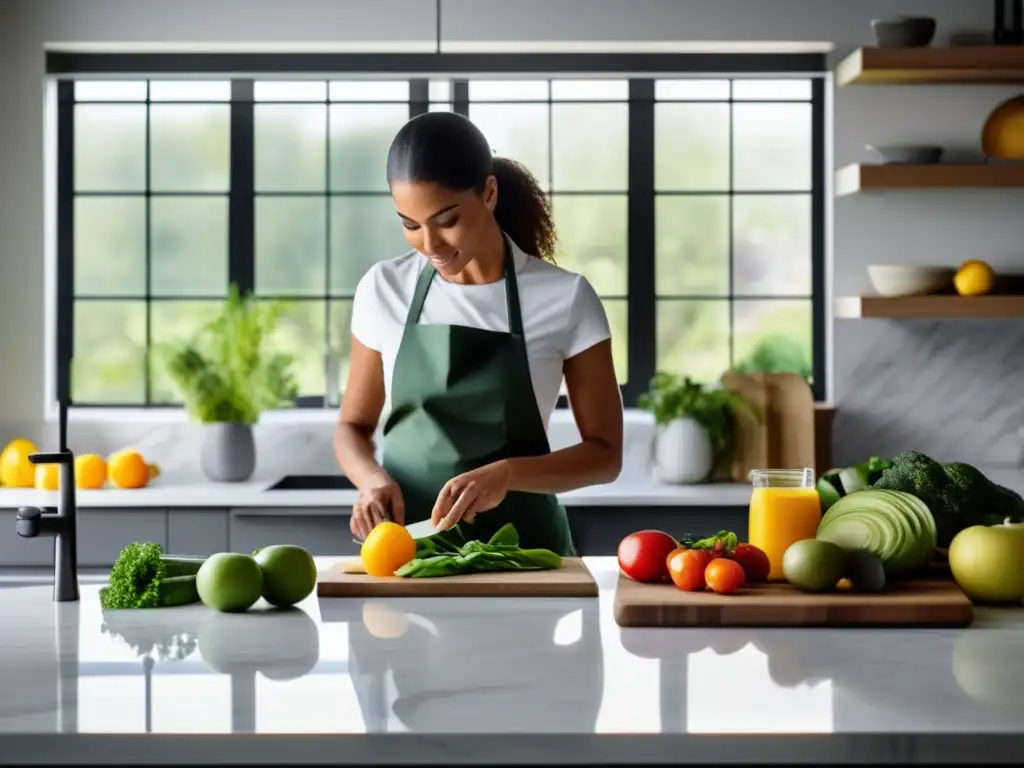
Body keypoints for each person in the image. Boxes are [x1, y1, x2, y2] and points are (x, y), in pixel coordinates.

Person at [333, 111, 623, 556]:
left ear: (489, 194)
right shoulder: (383, 289)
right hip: (407, 555)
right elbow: (352, 426)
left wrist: (507, 474)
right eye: (410, 225)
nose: (430, 245)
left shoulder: (565, 298)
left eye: (446, 220)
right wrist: (373, 482)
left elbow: (605, 455)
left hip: (524, 557)